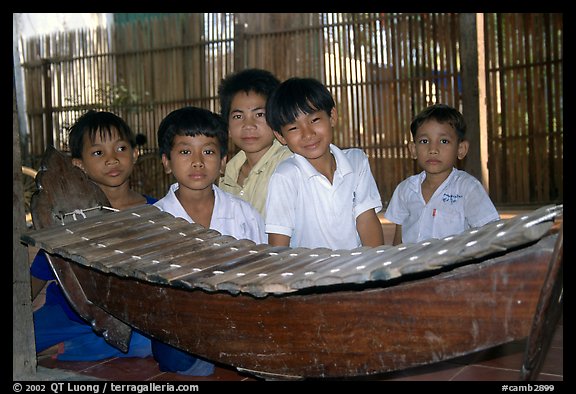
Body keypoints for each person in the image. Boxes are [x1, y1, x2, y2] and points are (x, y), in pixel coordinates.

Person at [30, 110, 156, 361]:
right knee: (20, 337)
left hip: (126, 319)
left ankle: (61, 350)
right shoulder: (70, 218)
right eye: (98, 153)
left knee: (147, 346)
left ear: (135, 153)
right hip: (65, 313)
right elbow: (40, 274)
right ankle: (63, 344)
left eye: (120, 148)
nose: (112, 159)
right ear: (79, 165)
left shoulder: (156, 212)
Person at [153, 106, 266, 376]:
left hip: (236, 315)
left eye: (208, 151)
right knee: (172, 355)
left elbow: (263, 269)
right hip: (182, 320)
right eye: (184, 151)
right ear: (166, 162)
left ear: (223, 160)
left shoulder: (243, 214)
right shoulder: (154, 220)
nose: (197, 161)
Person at [264, 77, 384, 249]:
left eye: (314, 120)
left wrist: (377, 269)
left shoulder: (356, 162)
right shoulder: (286, 176)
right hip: (308, 274)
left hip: (356, 270)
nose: (308, 134)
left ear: (332, 116)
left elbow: (366, 220)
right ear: (281, 136)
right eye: (293, 128)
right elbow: (279, 244)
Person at [384, 103, 500, 245]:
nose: (433, 149)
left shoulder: (467, 188)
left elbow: (489, 234)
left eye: (444, 141)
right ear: (413, 149)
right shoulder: (405, 190)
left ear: (461, 149)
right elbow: (399, 241)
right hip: (413, 266)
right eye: (424, 141)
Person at [218, 68, 292, 218]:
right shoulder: (227, 173)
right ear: (228, 127)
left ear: (277, 117)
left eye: (259, 114)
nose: (248, 125)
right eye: (238, 116)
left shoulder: (290, 163)